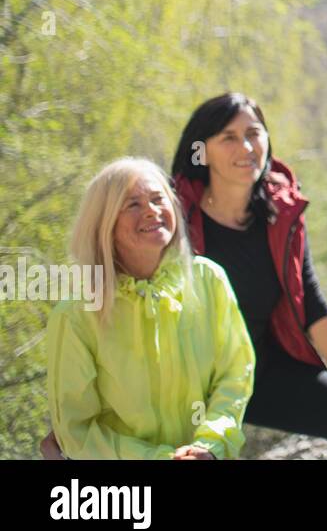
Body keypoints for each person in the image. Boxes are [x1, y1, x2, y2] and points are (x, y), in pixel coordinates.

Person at [171, 93, 327, 459]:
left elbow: (310, 305)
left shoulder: (281, 215)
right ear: (203, 150)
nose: (246, 147)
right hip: (194, 384)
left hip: (261, 375)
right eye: (228, 137)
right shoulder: (174, 216)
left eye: (254, 133)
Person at [46, 158, 254, 459]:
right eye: (132, 204)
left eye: (158, 199)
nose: (151, 211)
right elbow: (76, 430)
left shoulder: (209, 280)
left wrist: (210, 446)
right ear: (104, 224)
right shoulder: (75, 316)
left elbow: (235, 375)